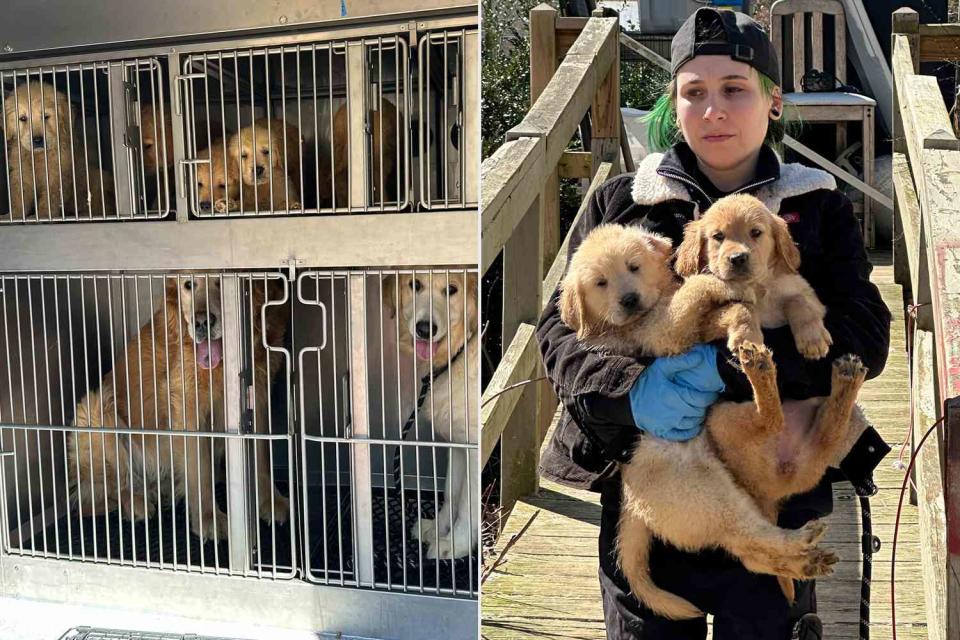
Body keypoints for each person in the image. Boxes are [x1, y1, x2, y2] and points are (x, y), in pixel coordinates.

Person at [535, 8, 891, 640]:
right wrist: (632, 394)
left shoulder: (820, 204)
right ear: (674, 105)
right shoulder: (624, 200)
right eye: (693, 92)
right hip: (652, 476)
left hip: (771, 481)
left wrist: (738, 364)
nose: (713, 110)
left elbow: (867, 330)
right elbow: (559, 333)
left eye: (735, 89)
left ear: (773, 102)